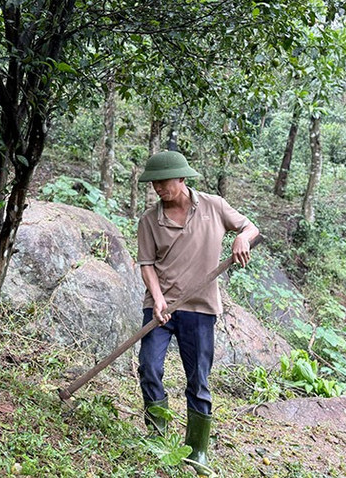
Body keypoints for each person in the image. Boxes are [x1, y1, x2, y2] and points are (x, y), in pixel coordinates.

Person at [136, 150, 259, 475]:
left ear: (181, 179)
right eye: (154, 184)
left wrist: (241, 240)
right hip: (160, 307)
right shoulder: (150, 220)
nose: (158, 189)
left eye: (163, 182)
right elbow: (147, 265)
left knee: (198, 379)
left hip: (200, 309)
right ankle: (159, 438)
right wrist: (159, 300)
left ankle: (196, 451)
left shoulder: (214, 207)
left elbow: (250, 227)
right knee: (148, 367)